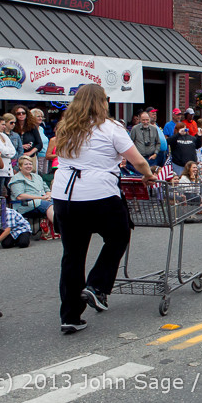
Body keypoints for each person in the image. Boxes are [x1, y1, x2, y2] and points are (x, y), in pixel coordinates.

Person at [51, 84, 156, 334]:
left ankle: (70, 316)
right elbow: (138, 160)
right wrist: (148, 175)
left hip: (64, 196)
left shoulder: (65, 126)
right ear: (102, 102)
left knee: (72, 256)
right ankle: (97, 286)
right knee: (119, 235)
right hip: (98, 194)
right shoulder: (110, 128)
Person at [12, 105, 43, 173]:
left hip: (30, 157)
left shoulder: (32, 127)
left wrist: (30, 153)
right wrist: (21, 146)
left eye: (23, 113)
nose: (21, 115)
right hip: (16, 157)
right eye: (18, 113)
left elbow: (39, 144)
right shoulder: (13, 127)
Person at [31, 108, 50, 174]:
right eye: (38, 116)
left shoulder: (41, 129)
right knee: (38, 174)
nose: (41, 118)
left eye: (41, 116)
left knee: (45, 175)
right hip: (38, 155)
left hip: (45, 155)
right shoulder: (31, 129)